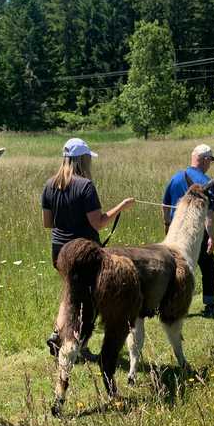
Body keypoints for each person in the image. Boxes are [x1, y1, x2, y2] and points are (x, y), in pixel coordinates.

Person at [42, 137, 135, 357]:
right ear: (82, 159)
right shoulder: (86, 186)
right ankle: (74, 342)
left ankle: (62, 335)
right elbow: (98, 223)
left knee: (71, 294)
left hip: (59, 251)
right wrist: (121, 207)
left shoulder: (49, 184)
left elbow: (48, 223)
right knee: (85, 300)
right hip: (84, 253)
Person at [162, 144, 214, 318]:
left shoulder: (176, 178)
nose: (210, 165)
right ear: (204, 159)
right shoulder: (205, 182)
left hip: (175, 230)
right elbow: (208, 213)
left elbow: (165, 205)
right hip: (196, 232)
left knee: (174, 268)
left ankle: (171, 303)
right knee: (207, 268)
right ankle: (210, 305)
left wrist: (167, 225)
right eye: (210, 161)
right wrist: (210, 236)